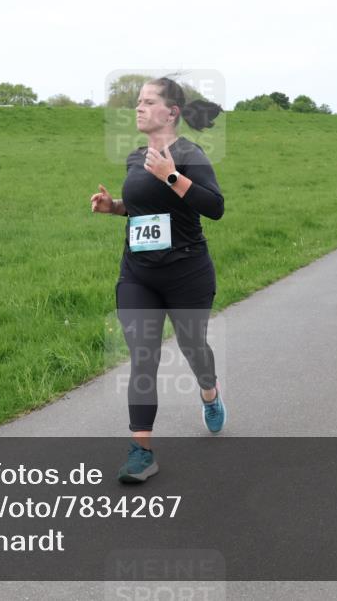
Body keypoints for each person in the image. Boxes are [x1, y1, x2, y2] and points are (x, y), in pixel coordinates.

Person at [90, 77, 225, 483]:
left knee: (193, 347)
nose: (139, 107)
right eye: (138, 102)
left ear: (172, 112)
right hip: (139, 274)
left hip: (186, 273)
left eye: (149, 101)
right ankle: (141, 452)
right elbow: (141, 207)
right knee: (143, 357)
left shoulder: (189, 153)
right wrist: (113, 206)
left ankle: (209, 391)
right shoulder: (135, 157)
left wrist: (171, 175)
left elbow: (214, 207)